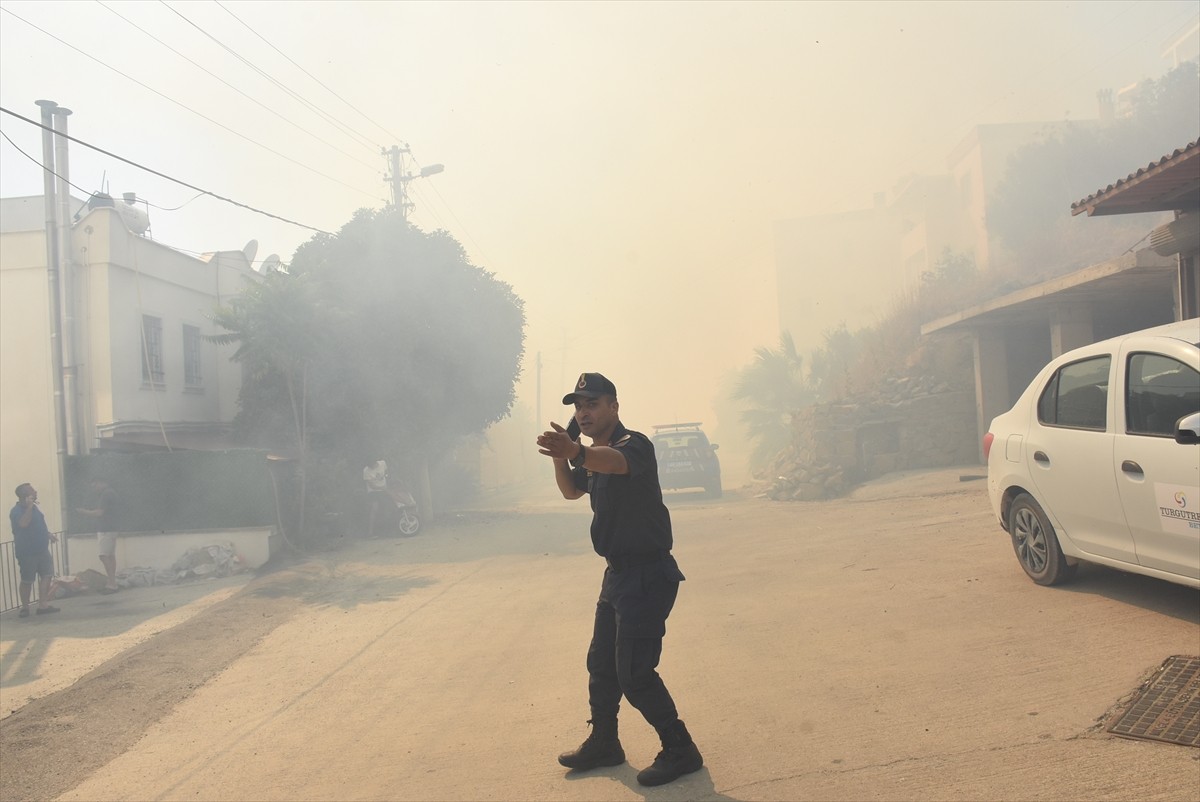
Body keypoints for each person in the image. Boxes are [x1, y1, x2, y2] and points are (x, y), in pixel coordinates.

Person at [536, 372, 703, 787]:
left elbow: (613, 462)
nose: (583, 412)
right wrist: (563, 455)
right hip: (616, 576)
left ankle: (681, 748)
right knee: (602, 666)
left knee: (635, 673)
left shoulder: (634, 446)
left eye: (592, 403)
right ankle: (605, 742)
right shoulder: (591, 456)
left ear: (614, 406)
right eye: (577, 406)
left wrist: (576, 449)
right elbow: (572, 492)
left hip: (648, 574)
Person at [10, 483, 60, 618]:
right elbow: (23, 524)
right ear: (25, 495)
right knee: (27, 580)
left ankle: (43, 605)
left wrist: (48, 534)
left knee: (47, 575)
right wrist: (30, 507)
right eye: (32, 490)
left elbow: (39, 525)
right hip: (27, 552)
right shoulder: (16, 510)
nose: (35, 491)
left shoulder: (36, 509)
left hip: (42, 549)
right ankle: (25, 608)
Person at [76, 479, 119, 593]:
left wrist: (83, 511)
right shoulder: (111, 492)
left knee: (103, 556)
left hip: (106, 529)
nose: (94, 489)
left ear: (102, 482)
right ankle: (112, 582)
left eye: (95, 486)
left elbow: (99, 513)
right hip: (112, 528)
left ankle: (112, 584)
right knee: (110, 556)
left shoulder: (106, 494)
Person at [363, 458, 389, 537]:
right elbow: (371, 485)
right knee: (374, 509)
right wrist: (382, 488)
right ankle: (370, 532)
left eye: (372, 466)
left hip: (384, 489)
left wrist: (386, 477)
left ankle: (386, 529)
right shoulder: (366, 471)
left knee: (387, 507)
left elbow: (387, 472)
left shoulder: (383, 463)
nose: (371, 468)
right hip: (373, 492)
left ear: (375, 463)